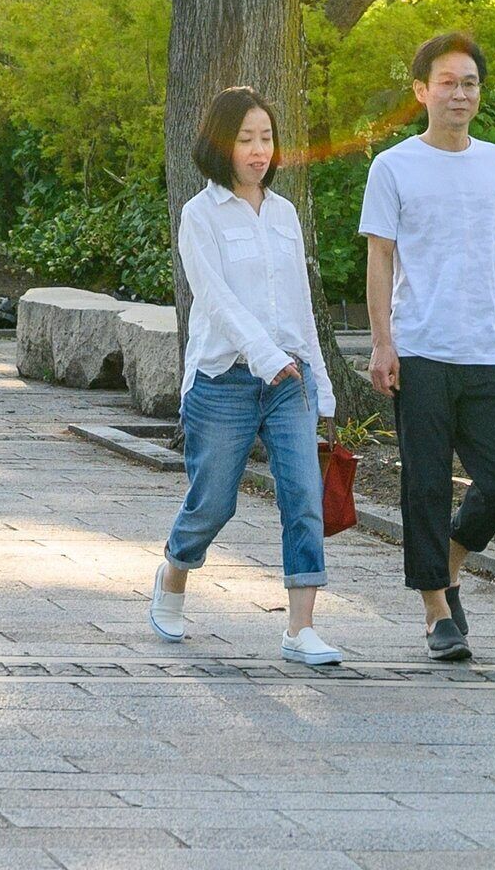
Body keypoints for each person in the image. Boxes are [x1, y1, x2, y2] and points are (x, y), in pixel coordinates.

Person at [359, 29, 495, 663]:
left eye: (469, 83)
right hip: (422, 350)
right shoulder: (394, 166)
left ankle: (451, 559)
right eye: (446, 83)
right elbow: (379, 257)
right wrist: (383, 344)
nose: (459, 93)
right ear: (420, 92)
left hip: (488, 352)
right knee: (426, 484)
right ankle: (437, 609)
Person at [151, 86, 342, 668]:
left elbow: (300, 303)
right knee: (213, 504)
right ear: (221, 144)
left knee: (303, 496)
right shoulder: (199, 215)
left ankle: (300, 628)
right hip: (223, 381)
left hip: (291, 380)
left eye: (266, 139)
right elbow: (217, 300)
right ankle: (175, 571)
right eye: (245, 140)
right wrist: (264, 355)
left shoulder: (284, 214)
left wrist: (322, 383)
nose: (259, 151)